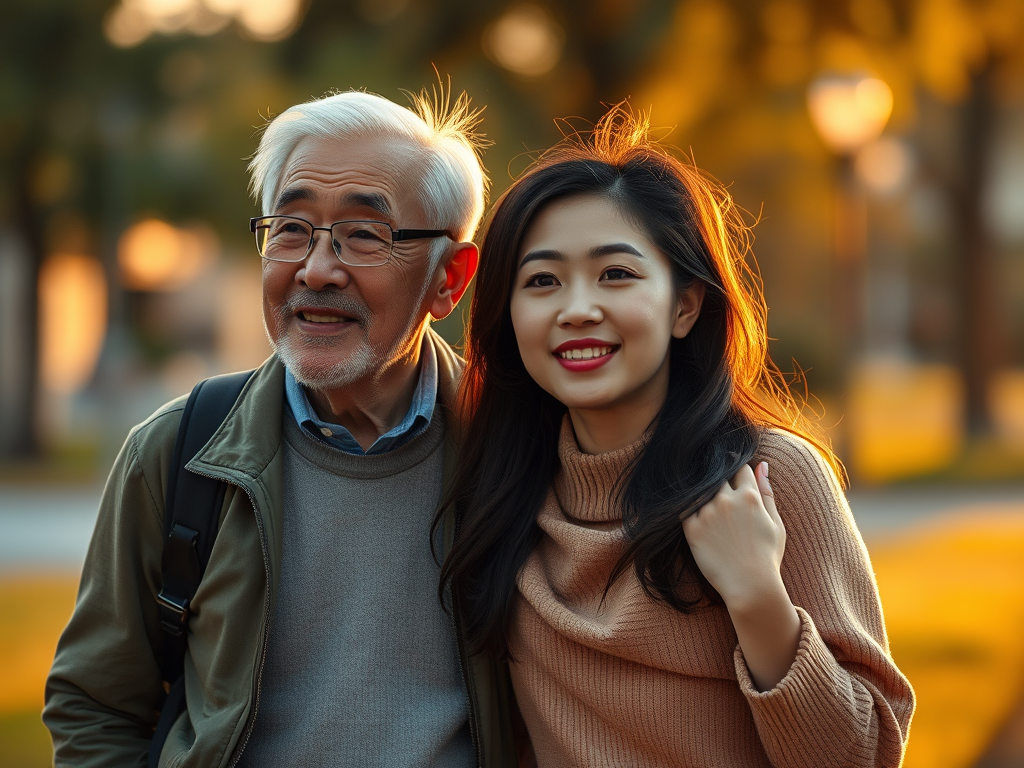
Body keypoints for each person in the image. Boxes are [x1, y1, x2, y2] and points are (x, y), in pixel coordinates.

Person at [43, 89, 519, 768]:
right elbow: (95, 705)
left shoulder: (515, 453)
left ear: (449, 278)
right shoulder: (177, 455)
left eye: (363, 235)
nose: (316, 269)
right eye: (291, 229)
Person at [437, 106, 915, 768]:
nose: (578, 309)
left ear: (684, 305)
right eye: (542, 281)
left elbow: (863, 754)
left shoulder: (767, 477)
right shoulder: (501, 493)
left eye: (616, 274)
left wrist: (755, 595)